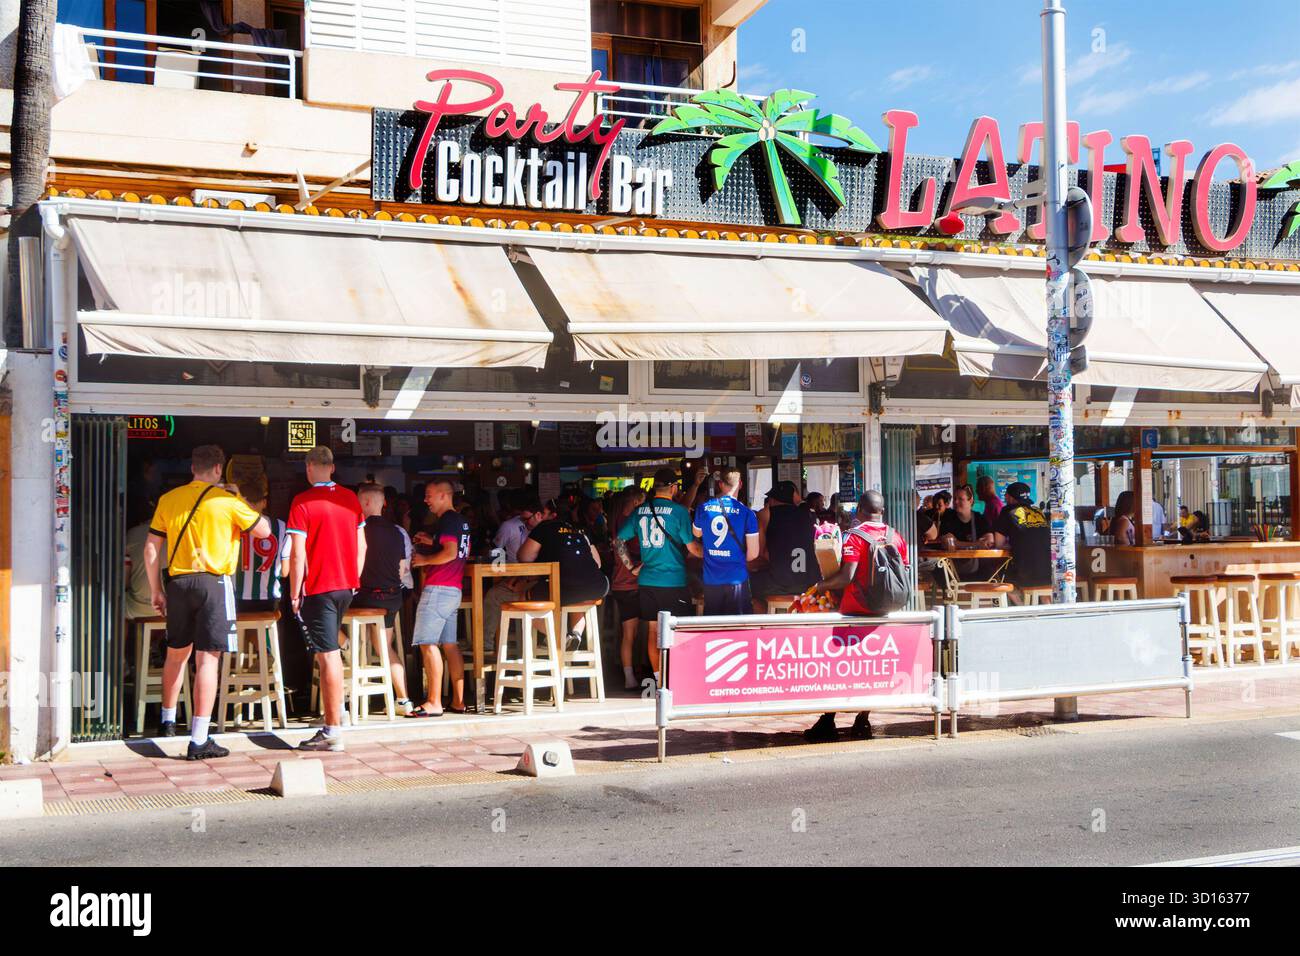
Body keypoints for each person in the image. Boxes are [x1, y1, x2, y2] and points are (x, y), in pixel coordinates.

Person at [143, 445, 271, 758]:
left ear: (192, 468)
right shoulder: (227, 501)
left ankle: (168, 721)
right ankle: (199, 739)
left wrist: (156, 590)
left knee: (176, 654)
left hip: (178, 583)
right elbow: (264, 531)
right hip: (214, 584)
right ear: (218, 469)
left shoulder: (169, 500)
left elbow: (150, 549)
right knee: (207, 659)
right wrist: (238, 497)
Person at [804, 490, 907, 743]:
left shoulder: (854, 537)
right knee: (871, 669)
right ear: (882, 511)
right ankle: (862, 721)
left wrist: (821, 585)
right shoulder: (896, 536)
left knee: (840, 668)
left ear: (859, 510)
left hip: (854, 611)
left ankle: (828, 720)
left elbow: (846, 577)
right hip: (885, 611)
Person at [286, 446, 367, 752]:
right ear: (331, 468)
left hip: (318, 587)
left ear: (309, 467)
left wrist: (295, 591)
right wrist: (354, 580)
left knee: (327, 655)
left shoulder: (302, 502)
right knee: (330, 649)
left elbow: (297, 554)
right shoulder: (350, 499)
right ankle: (336, 716)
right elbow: (362, 547)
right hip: (346, 586)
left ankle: (333, 728)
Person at [615, 468, 700, 685]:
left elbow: (618, 541)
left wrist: (631, 566)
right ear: (673, 488)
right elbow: (693, 549)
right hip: (673, 581)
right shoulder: (679, 512)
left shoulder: (640, 511)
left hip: (647, 582)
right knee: (678, 630)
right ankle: (677, 679)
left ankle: (659, 680)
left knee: (653, 630)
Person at [407, 479, 472, 717]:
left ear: (445, 495)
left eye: (429, 495)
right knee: (450, 645)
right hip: (453, 589)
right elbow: (457, 550)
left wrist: (424, 560)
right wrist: (432, 542)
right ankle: (458, 701)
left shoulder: (448, 520)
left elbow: (450, 553)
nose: (426, 500)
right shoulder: (461, 521)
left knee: (427, 643)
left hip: (438, 588)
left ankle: (433, 702)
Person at [352, 483, 415, 716]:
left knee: (325, 610)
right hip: (390, 599)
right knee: (384, 647)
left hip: (361, 599)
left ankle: (347, 648)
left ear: (366, 502)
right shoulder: (398, 531)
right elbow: (401, 571)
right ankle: (403, 700)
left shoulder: (356, 529)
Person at [519, 497, 609, 647]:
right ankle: (575, 634)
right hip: (596, 586)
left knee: (523, 599)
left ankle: (558, 635)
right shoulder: (581, 529)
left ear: (552, 515)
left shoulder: (544, 528)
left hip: (563, 586)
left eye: (544, 512)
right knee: (576, 601)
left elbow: (524, 556)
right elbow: (598, 563)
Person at [693, 469, 760, 615]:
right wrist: (737, 558)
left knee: (713, 625)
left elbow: (696, 533)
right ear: (740, 484)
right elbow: (753, 554)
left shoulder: (703, 509)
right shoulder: (747, 513)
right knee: (737, 627)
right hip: (737, 578)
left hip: (711, 579)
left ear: (720, 484)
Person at [751, 479, 821, 610]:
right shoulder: (810, 515)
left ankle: (760, 626)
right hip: (809, 583)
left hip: (780, 584)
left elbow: (760, 554)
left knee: (747, 586)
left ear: (772, 499)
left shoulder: (767, 515)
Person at [234, 477, 291, 614]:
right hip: (269, 598)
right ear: (264, 502)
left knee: (241, 633)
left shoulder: (231, 527)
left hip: (237, 596)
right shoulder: (282, 527)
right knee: (266, 633)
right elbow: (284, 572)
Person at [609, 487, 645, 690]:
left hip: (620, 582)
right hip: (630, 582)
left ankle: (630, 676)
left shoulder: (617, 518)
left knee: (629, 633)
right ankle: (632, 677)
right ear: (637, 501)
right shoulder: (628, 520)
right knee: (635, 633)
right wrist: (633, 567)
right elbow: (619, 543)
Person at [992, 481, 1051, 588]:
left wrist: (1015, 544)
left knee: (998, 575)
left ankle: (1021, 604)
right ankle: (1041, 603)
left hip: (1025, 571)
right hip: (1048, 568)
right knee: (1041, 586)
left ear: (1010, 497)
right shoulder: (1039, 511)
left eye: (1006, 494)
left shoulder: (1007, 511)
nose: (1004, 496)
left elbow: (999, 544)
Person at [939, 483, 994, 579]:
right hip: (953, 573)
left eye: (961, 499)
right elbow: (948, 543)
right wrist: (976, 544)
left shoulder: (980, 519)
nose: (956, 502)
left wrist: (958, 544)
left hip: (980, 572)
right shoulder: (948, 517)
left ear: (971, 500)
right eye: (955, 498)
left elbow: (989, 541)